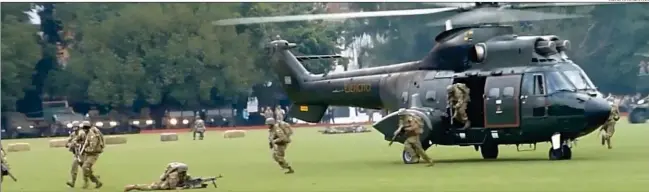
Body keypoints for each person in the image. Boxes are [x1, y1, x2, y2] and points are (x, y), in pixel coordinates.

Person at [123, 162, 192, 191]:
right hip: (163, 186)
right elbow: (172, 187)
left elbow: (186, 178)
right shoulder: (173, 175)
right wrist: (183, 187)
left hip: (163, 183)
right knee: (149, 187)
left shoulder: (178, 174)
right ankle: (133, 186)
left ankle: (133, 186)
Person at [76, 121, 105, 189]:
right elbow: (79, 139)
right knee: (87, 169)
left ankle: (88, 182)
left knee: (85, 167)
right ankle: (97, 182)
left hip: (93, 154)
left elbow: (92, 147)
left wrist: (85, 149)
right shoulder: (86, 134)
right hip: (87, 153)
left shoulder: (92, 135)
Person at [66, 123, 83, 188]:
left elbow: (85, 143)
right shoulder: (73, 134)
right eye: (74, 128)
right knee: (74, 168)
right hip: (77, 154)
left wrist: (77, 144)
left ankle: (96, 181)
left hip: (83, 154)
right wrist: (69, 144)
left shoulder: (82, 134)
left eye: (76, 128)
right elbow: (68, 141)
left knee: (85, 169)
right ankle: (73, 182)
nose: (75, 129)